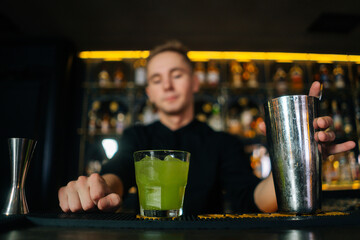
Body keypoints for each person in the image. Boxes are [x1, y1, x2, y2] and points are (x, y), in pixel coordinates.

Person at [58, 41, 356, 215]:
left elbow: (254, 199)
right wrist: (98, 187)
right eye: (157, 79)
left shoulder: (222, 142)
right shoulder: (137, 137)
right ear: (148, 92)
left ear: (195, 82)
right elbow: (118, 173)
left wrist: (295, 158)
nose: (168, 85)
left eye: (177, 74)